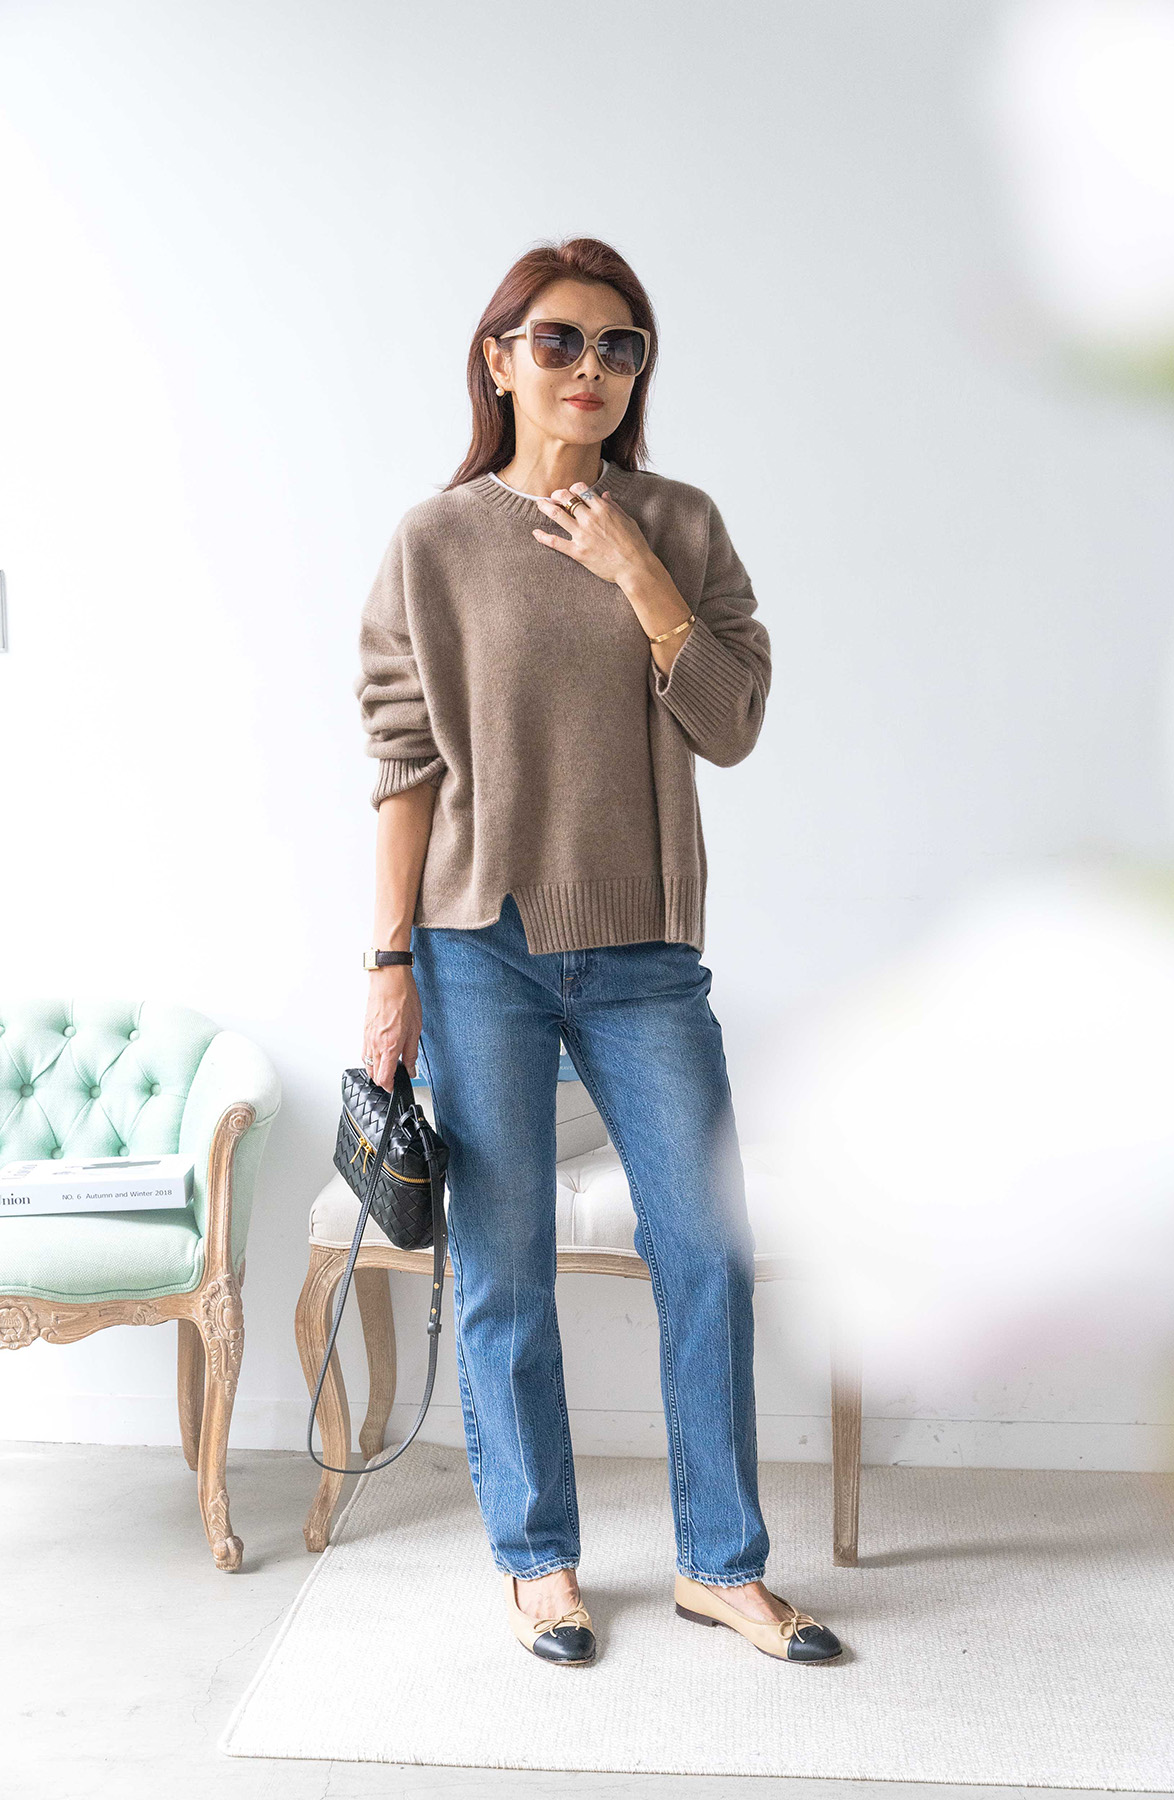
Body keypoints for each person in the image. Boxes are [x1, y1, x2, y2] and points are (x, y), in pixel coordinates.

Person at [355, 236, 844, 1668]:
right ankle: (539, 1561)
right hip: (477, 948)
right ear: (498, 359)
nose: (591, 367)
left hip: (643, 955)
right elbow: (403, 770)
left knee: (706, 1251)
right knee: (504, 1266)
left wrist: (638, 573)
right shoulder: (433, 542)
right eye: (559, 340)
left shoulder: (679, 522)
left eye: (620, 346)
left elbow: (731, 724)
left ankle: (720, 1567)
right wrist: (386, 968)